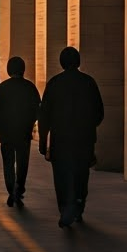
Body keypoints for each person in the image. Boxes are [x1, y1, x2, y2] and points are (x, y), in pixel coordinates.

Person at [38, 46, 104, 227]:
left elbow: (44, 116)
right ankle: (78, 205)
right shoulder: (89, 82)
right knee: (81, 174)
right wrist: (88, 127)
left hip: (61, 139)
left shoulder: (54, 83)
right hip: (84, 139)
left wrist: (43, 143)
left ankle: (65, 207)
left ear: (61, 63)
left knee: (61, 176)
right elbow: (99, 113)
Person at [0, 56, 41, 208]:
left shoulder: (2, 88)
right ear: (23, 69)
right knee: (23, 161)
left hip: (6, 131)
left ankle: (11, 189)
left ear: (9, 70)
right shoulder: (30, 87)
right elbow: (38, 109)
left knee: (8, 162)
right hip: (24, 131)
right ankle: (19, 187)